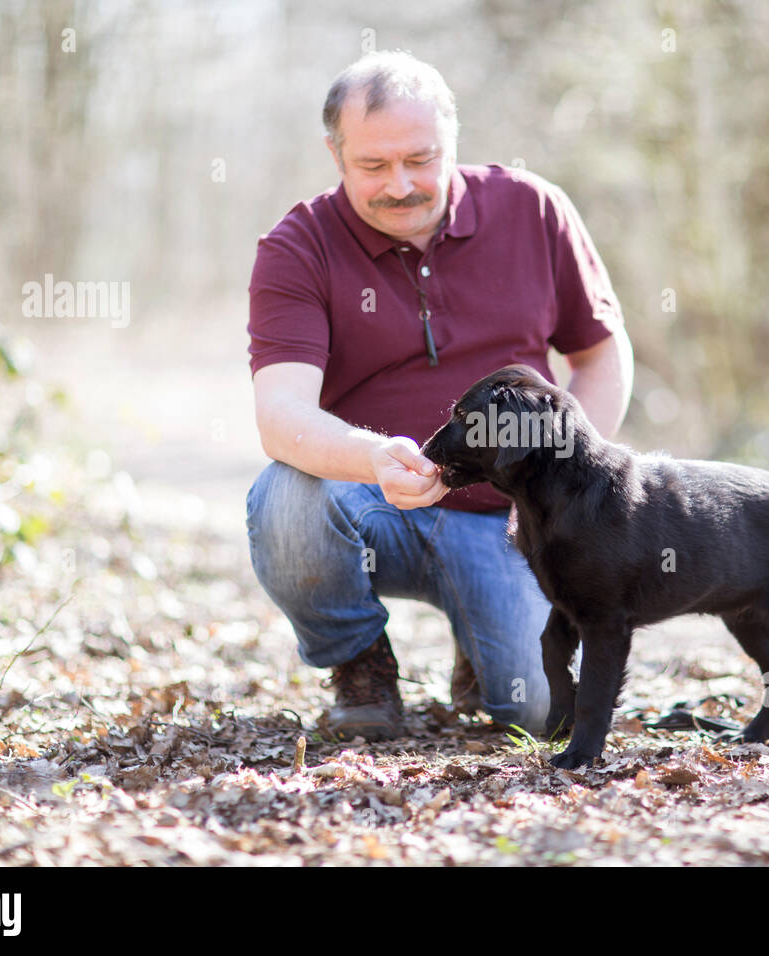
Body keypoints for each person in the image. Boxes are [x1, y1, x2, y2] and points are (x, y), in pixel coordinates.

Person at [245, 50, 633, 742]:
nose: (401, 185)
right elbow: (281, 416)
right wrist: (373, 458)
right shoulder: (296, 247)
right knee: (284, 500)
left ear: (453, 138)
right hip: (374, 504)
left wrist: (567, 488)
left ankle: (481, 654)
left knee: (544, 712)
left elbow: (601, 354)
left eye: (421, 159)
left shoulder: (534, 209)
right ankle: (360, 665)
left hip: (514, 525)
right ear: (334, 153)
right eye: (373, 166)